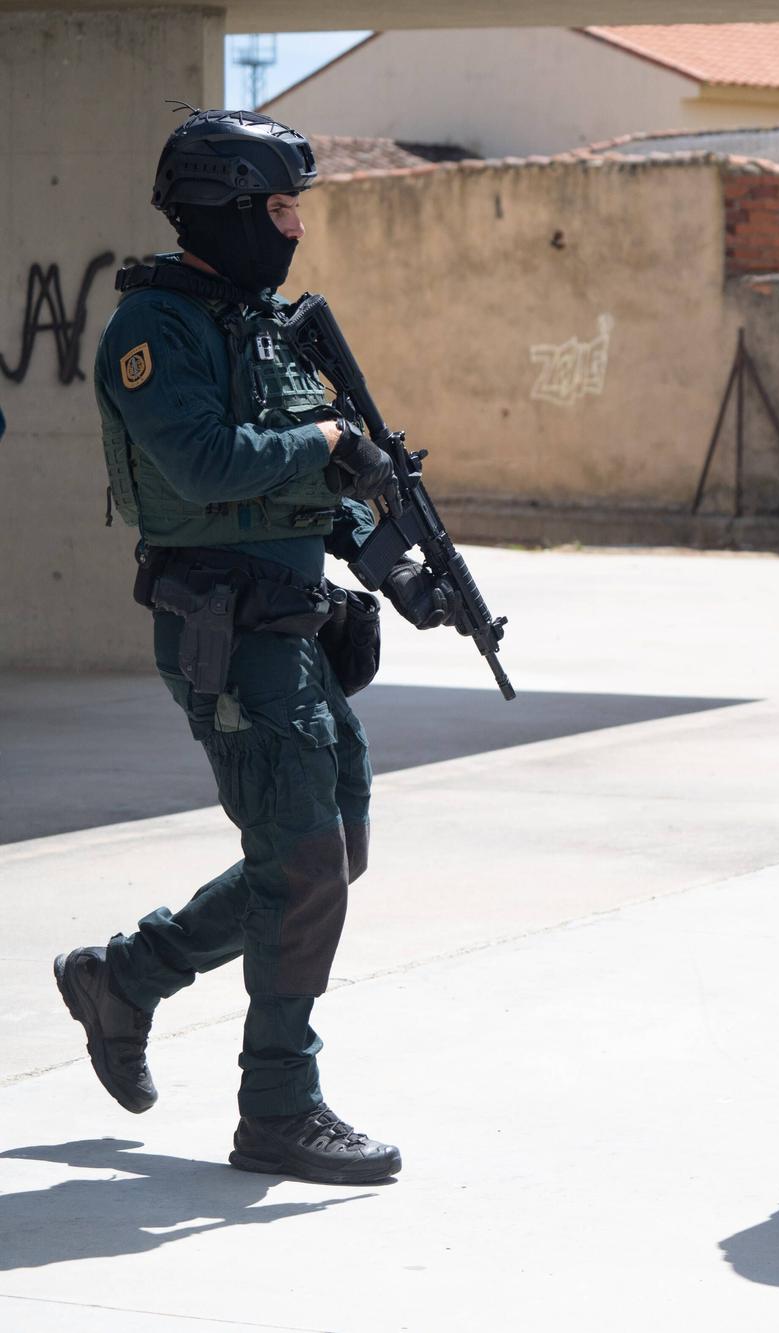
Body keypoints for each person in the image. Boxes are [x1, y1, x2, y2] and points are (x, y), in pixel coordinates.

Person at [55, 108, 447, 1184]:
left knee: (331, 854)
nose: (293, 230)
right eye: (277, 209)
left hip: (298, 628)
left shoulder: (267, 323)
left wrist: (397, 565)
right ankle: (278, 1104)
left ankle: (129, 976)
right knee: (305, 862)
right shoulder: (153, 332)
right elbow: (208, 465)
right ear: (224, 210)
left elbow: (326, 486)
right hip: (224, 633)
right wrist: (328, 441)